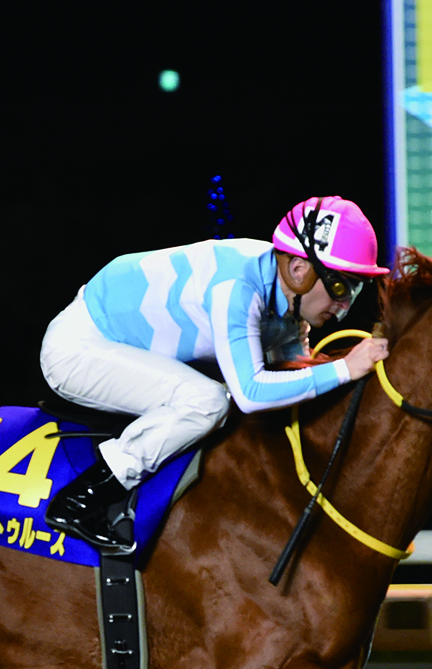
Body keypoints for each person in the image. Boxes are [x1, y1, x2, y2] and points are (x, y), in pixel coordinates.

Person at [39, 196, 392, 553]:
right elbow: (251, 394)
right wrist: (346, 367)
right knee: (208, 402)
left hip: (124, 341)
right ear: (299, 270)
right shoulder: (236, 287)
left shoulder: (284, 297)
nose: (344, 306)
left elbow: (294, 382)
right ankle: (84, 499)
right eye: (339, 287)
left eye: (355, 288)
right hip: (79, 348)